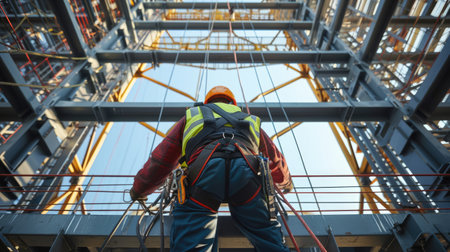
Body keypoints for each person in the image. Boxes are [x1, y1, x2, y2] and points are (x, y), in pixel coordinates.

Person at [130, 86, 292, 251]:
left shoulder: (192, 115)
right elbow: (275, 160)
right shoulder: (249, 119)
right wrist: (285, 183)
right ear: (232, 103)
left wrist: (140, 190)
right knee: (267, 236)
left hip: (202, 173)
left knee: (193, 242)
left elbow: (162, 159)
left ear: (206, 102)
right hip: (246, 174)